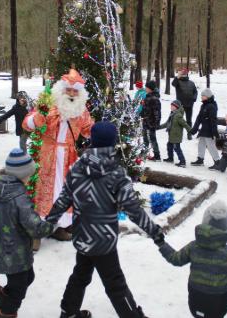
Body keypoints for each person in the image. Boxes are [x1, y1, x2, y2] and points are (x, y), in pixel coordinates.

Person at [46, 121, 162, 318]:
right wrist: (154, 231)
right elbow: (133, 209)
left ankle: (68, 312)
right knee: (115, 283)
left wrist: (46, 224)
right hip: (103, 239)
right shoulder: (116, 173)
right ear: (113, 143)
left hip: (83, 235)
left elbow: (63, 200)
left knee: (80, 275)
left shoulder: (76, 168)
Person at [22, 69, 93, 242]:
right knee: (44, 189)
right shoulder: (48, 104)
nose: (71, 93)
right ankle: (39, 227)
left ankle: (60, 226)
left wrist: (102, 133)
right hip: (47, 154)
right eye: (68, 90)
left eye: (75, 91)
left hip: (69, 155)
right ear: (61, 90)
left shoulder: (81, 111)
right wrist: (40, 116)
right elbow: (27, 124)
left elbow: (88, 130)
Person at [0, 149, 55, 317]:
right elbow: (34, 226)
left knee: (26, 278)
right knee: (20, 287)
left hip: (0, 245)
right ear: (23, 174)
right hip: (15, 250)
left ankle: (0, 299)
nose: (30, 177)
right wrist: (50, 226)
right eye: (29, 174)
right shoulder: (20, 198)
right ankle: (6, 312)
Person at [190, 88, 220, 170]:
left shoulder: (212, 106)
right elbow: (199, 118)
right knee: (201, 144)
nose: (202, 97)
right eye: (202, 96)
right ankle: (200, 159)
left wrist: (214, 131)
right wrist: (195, 128)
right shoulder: (204, 105)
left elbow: (213, 120)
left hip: (209, 130)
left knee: (211, 146)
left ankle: (217, 162)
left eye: (203, 96)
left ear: (208, 96)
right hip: (204, 129)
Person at [158, 100, 191, 167]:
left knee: (177, 148)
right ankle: (170, 158)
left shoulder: (178, 115)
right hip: (171, 135)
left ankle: (182, 162)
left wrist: (190, 131)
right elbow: (167, 124)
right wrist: (158, 127)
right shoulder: (172, 114)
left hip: (176, 135)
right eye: (171, 105)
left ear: (176, 107)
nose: (171, 107)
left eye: (173, 106)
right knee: (169, 145)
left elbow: (185, 124)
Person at [141, 81, 162, 161]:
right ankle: (144, 153)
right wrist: (142, 114)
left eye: (146, 87)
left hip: (151, 123)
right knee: (145, 138)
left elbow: (157, 112)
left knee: (152, 139)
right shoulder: (148, 97)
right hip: (145, 121)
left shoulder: (154, 99)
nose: (145, 88)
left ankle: (157, 155)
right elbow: (145, 109)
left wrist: (156, 123)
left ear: (150, 89)